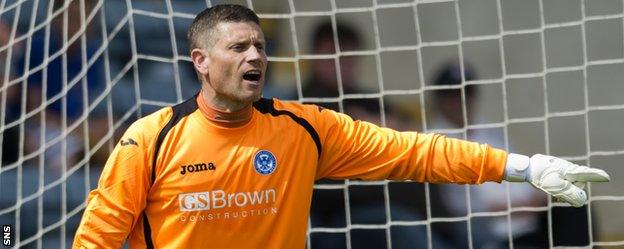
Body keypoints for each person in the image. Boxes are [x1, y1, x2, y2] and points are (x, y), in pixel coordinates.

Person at [72, 4, 611, 248]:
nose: (254, 55)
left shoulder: (304, 128)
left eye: (260, 45)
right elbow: (97, 238)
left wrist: (524, 167)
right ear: (201, 62)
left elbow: (413, 152)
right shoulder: (149, 137)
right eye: (238, 47)